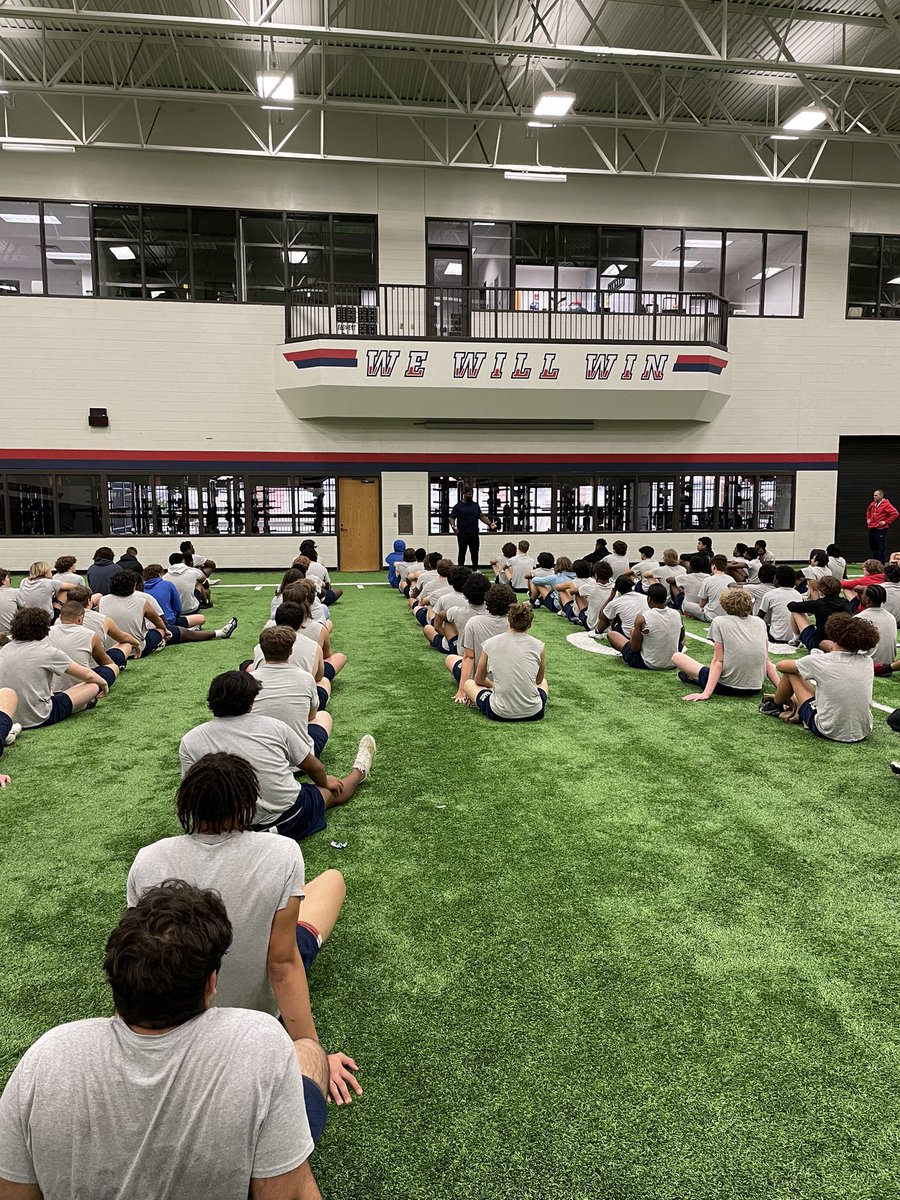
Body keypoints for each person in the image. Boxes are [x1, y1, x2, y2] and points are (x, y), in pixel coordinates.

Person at [0, 879, 326, 1199]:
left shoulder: (46, 1057)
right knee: (309, 1054)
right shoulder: (259, 1041)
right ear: (211, 982)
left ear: (116, 980)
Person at [127, 753, 361, 1108]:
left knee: (311, 893)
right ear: (249, 803)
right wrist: (313, 1052)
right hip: (258, 1006)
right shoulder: (281, 853)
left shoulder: (149, 860)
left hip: (177, 1010)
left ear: (187, 801)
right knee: (332, 881)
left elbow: (143, 958)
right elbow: (282, 965)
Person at [180, 671, 375, 841]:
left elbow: (194, 794)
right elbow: (313, 766)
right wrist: (326, 782)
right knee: (334, 791)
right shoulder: (273, 727)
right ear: (251, 701)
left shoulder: (190, 740)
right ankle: (359, 771)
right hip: (286, 816)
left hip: (223, 828)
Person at [760, 613, 878, 741]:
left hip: (828, 729)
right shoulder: (867, 661)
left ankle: (774, 706)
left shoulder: (821, 661)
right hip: (863, 730)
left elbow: (782, 666)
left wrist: (817, 657)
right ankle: (784, 705)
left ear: (834, 634)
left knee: (792, 673)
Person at [0, 606, 107, 727]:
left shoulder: (5, 649)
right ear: (45, 628)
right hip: (40, 716)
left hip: (8, 715)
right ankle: (83, 704)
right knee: (92, 686)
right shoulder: (48, 652)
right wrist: (103, 684)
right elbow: (88, 675)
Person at [673, 587, 777, 701]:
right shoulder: (760, 622)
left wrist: (706, 693)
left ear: (725, 605)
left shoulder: (719, 622)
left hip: (726, 686)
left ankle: (697, 679)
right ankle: (696, 678)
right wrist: (780, 687)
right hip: (756, 687)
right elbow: (766, 660)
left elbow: (718, 661)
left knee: (677, 657)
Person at [462, 602, 548, 721]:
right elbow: (538, 680)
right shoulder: (539, 646)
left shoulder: (489, 644)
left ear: (509, 620)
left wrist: (493, 687)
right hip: (534, 712)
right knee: (543, 681)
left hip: (499, 712)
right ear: (530, 624)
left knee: (468, 684)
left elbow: (479, 680)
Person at [252, 626, 330, 747]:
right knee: (324, 716)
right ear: (291, 651)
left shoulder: (248, 680)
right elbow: (311, 716)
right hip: (300, 760)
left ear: (261, 650)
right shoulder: (306, 678)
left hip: (259, 753)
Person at [446, 582, 514, 700]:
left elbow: (469, 657)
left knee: (450, 659)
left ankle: (482, 688)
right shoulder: (514, 624)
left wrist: (462, 690)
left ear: (487, 601)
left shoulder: (474, 622)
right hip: (507, 681)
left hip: (478, 680)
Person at [143, 564, 237, 644]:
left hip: (150, 625)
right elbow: (177, 608)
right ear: (160, 574)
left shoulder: (141, 591)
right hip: (163, 624)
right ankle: (220, 632)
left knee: (199, 619)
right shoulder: (167, 584)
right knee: (188, 632)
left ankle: (190, 629)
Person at [48, 600, 122, 691]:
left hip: (50, 690)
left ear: (60, 617)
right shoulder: (90, 634)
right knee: (113, 667)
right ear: (80, 618)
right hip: (81, 690)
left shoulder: (47, 632)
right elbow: (104, 662)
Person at [606, 583, 684, 669]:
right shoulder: (677, 614)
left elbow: (635, 648)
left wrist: (634, 635)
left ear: (649, 599)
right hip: (673, 662)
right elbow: (681, 639)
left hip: (648, 663)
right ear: (665, 599)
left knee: (612, 634)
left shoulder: (642, 617)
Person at [99, 570, 171, 656]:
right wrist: (165, 630)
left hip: (110, 649)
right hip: (137, 649)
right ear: (134, 586)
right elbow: (158, 620)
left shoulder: (102, 600)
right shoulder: (142, 602)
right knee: (160, 629)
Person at [787, 574, 851, 649]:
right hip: (840, 641)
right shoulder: (846, 603)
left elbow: (791, 606)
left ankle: (796, 639)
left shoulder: (819, 604)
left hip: (819, 642)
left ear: (821, 591)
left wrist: (807, 601)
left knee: (795, 612)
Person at [850, 584, 897, 674]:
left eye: (863, 594)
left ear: (867, 599)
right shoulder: (890, 617)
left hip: (868, 665)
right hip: (888, 665)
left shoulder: (859, 618)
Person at [449, 486, 496, 568]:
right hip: (462, 534)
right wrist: (453, 527)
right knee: (462, 553)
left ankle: (475, 569)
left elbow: (481, 516)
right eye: (469, 494)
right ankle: (460, 569)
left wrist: (489, 523)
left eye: (472, 494)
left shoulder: (475, 505)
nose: (471, 496)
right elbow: (452, 518)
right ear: (464, 494)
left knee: (475, 553)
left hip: (474, 534)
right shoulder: (458, 506)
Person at [758, 564, 803, 643]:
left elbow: (760, 617)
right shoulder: (798, 595)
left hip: (776, 637)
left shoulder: (769, 595)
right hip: (795, 637)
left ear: (777, 580)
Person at [595, 575, 647, 639]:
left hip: (629, 635)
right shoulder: (645, 597)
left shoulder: (616, 602)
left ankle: (598, 632)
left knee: (609, 615)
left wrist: (611, 597)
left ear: (616, 589)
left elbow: (601, 616)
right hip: (647, 633)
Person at [684, 554, 732, 622]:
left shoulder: (708, 580)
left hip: (710, 616)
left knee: (686, 605)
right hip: (728, 615)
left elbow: (701, 604)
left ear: (714, 567)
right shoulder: (731, 580)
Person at [866, 488, 898, 563]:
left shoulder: (886, 504)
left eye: (876, 495)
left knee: (881, 548)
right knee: (874, 548)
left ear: (881, 496)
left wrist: (886, 522)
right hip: (872, 528)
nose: (874, 497)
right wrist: (868, 519)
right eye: (874, 495)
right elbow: (868, 511)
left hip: (881, 529)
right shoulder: (873, 504)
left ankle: (881, 564)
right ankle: (875, 563)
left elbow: (895, 514)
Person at [0, 569, 19, 646]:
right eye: (8, 577)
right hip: (9, 635)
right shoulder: (14, 593)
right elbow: (24, 610)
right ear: (3, 581)